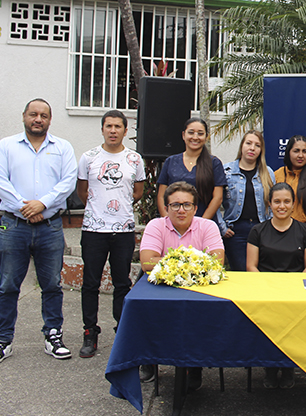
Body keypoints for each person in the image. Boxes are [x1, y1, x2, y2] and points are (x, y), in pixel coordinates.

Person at [0, 99, 78, 362]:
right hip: (13, 225)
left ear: (50, 120)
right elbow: (2, 182)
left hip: (50, 227)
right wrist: (26, 208)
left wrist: (42, 204)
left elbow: (68, 182)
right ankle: (3, 339)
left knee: (52, 285)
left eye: (44, 115)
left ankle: (53, 335)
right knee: (8, 284)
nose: (38, 119)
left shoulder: (62, 148)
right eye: (33, 114)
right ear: (24, 116)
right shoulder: (6, 146)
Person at [139, 181, 225, 391]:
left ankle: (194, 365)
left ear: (195, 208)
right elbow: (147, 262)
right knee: (144, 310)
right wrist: (191, 262)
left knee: (200, 315)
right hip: (162, 286)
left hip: (198, 288)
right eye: (175, 205)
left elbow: (217, 261)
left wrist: (172, 263)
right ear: (166, 208)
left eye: (187, 205)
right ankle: (148, 359)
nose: (181, 210)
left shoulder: (208, 226)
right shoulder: (156, 225)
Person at [76, 110, 145, 358]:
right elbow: (83, 192)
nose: (113, 130)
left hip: (123, 230)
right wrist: (99, 209)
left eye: (118, 126)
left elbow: (137, 192)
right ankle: (89, 331)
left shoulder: (135, 159)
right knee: (90, 283)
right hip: (94, 229)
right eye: (109, 126)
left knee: (121, 283)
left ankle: (121, 331)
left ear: (125, 131)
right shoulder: (89, 158)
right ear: (102, 129)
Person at [247, 182, 306, 390]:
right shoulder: (257, 231)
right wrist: (268, 289)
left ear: (293, 204)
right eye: (277, 201)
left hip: (296, 291)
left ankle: (288, 368)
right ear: (269, 204)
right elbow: (251, 266)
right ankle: (269, 368)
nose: (282, 206)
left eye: (287, 201)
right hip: (265, 292)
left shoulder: (304, 231)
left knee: (293, 330)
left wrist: (295, 288)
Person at [156, 117, 226, 232]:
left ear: (206, 137)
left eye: (200, 133)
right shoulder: (171, 161)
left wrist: (200, 225)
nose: (195, 137)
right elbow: (161, 196)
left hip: (203, 228)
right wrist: (168, 222)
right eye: (191, 133)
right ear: (183, 135)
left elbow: (217, 198)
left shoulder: (214, 163)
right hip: (173, 228)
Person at [222, 130, 275, 271]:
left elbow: (272, 203)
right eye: (248, 143)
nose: (252, 148)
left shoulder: (267, 173)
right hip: (235, 231)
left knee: (260, 272)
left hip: (261, 229)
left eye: (257, 145)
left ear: (261, 150)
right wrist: (222, 227)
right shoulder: (226, 171)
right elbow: (214, 201)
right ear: (242, 146)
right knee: (241, 272)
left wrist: (271, 227)